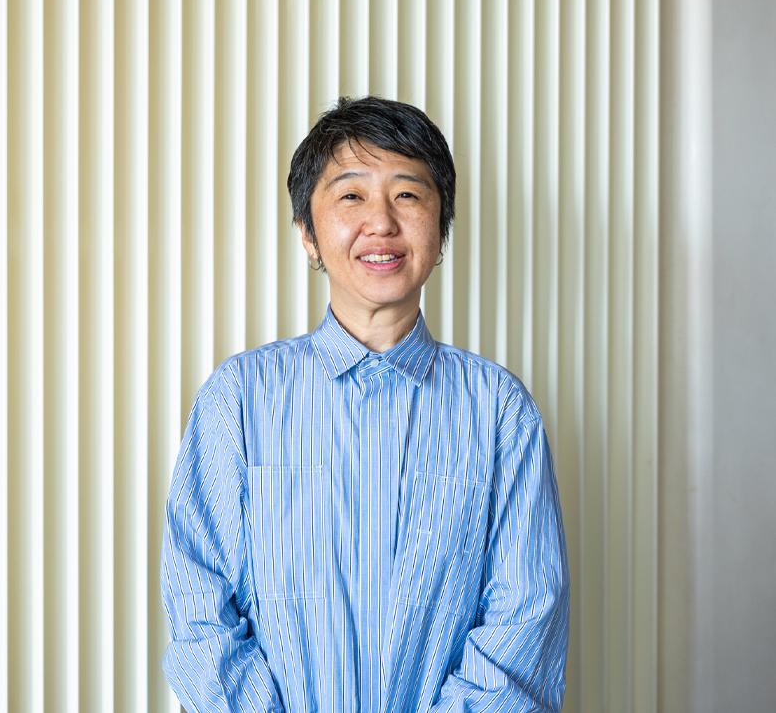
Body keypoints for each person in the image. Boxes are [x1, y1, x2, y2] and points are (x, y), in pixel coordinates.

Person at [160, 96, 569, 712]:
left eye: (408, 194)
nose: (381, 221)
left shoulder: (499, 410)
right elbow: (200, 610)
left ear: (442, 231)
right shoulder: (239, 399)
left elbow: (526, 615)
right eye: (351, 195)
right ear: (308, 234)